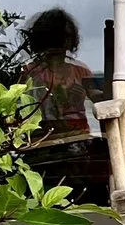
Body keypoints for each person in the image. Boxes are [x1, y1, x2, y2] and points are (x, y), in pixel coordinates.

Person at [19, 7, 95, 141]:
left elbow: (100, 101)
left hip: (77, 136)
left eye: (63, 37)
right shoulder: (30, 72)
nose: (61, 42)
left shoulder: (81, 72)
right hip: (41, 137)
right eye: (56, 37)